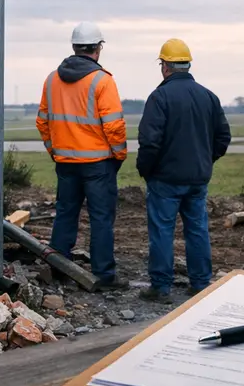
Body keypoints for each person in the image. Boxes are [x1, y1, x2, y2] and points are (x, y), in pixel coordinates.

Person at [36, 21, 129, 289]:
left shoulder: (52, 78)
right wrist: (119, 155)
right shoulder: (102, 80)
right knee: (101, 219)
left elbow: (43, 121)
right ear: (98, 49)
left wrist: (55, 151)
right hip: (98, 164)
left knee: (65, 214)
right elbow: (114, 126)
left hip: (65, 163)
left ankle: (59, 269)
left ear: (75, 47)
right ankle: (103, 275)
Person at [136, 38, 231, 302]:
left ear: (165, 66)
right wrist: (205, 160)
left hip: (165, 180)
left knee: (162, 232)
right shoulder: (208, 97)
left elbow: (150, 141)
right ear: (188, 65)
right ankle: (201, 284)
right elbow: (223, 137)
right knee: (197, 229)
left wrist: (146, 169)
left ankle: (161, 287)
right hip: (197, 178)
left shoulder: (159, 97)